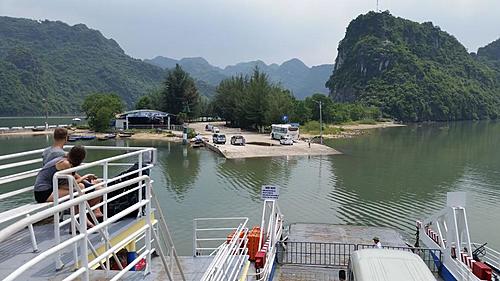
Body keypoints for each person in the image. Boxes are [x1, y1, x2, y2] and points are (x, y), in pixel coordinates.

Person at [34, 145, 103, 223]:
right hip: (43, 193)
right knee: (79, 189)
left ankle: (83, 217)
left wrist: (89, 182)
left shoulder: (67, 160)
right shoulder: (65, 163)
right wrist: (85, 177)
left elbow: (74, 176)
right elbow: (72, 183)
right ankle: (82, 220)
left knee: (88, 186)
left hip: (52, 188)